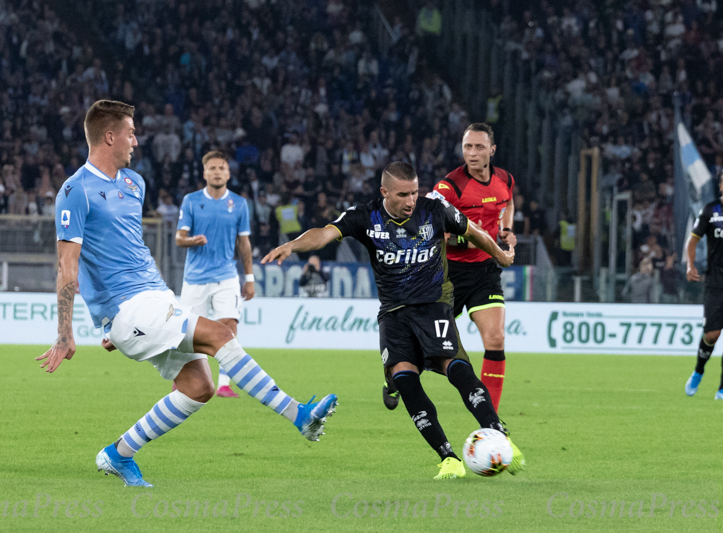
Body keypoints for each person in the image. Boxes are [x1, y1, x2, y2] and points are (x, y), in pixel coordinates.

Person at [39, 100, 337, 487]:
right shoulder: (75, 191)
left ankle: (118, 453)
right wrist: (72, 329)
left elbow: (130, 248)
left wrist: (154, 304)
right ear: (109, 136)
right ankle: (298, 414)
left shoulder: (133, 183)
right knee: (221, 335)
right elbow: (68, 265)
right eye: (130, 132)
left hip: (152, 297)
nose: (136, 140)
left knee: (200, 387)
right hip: (126, 308)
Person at [262, 161, 524, 479]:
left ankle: (499, 436)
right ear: (385, 192)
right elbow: (325, 234)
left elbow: (473, 232)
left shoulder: (434, 209)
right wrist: (292, 245)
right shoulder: (365, 216)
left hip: (433, 306)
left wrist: (499, 254)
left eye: (414, 192)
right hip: (393, 313)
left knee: (456, 369)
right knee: (405, 379)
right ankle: (449, 458)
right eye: (402, 194)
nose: (410, 200)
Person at [427, 123, 516, 413]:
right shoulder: (448, 187)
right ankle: (395, 375)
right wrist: (479, 243)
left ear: (492, 150)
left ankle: (492, 422)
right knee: (423, 342)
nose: (472, 153)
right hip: (448, 273)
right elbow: (432, 232)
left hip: (484, 273)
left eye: (479, 147)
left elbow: (507, 202)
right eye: (467, 147)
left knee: (496, 338)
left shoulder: (505, 179)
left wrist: (505, 229)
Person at [175, 150, 255, 398]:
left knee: (229, 326)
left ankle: (224, 383)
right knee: (186, 334)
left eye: (222, 168)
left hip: (226, 277)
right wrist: (191, 241)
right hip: (195, 279)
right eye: (212, 168)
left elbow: (244, 243)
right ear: (204, 173)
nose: (217, 172)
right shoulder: (190, 201)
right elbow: (179, 238)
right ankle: (184, 380)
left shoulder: (240, 204)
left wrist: (249, 278)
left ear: (228, 173)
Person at [684, 170, 723, 400]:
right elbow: (693, 239)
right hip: (716, 282)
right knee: (712, 334)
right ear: (720, 186)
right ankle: (699, 370)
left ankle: (722, 388)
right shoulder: (710, 210)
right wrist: (690, 265)